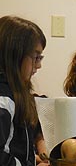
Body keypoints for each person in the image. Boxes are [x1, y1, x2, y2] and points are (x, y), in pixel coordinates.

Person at [0, 16, 49, 166]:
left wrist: (33, 159)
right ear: (15, 55)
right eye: (36, 57)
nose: (38, 65)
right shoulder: (4, 100)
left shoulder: (16, 92)